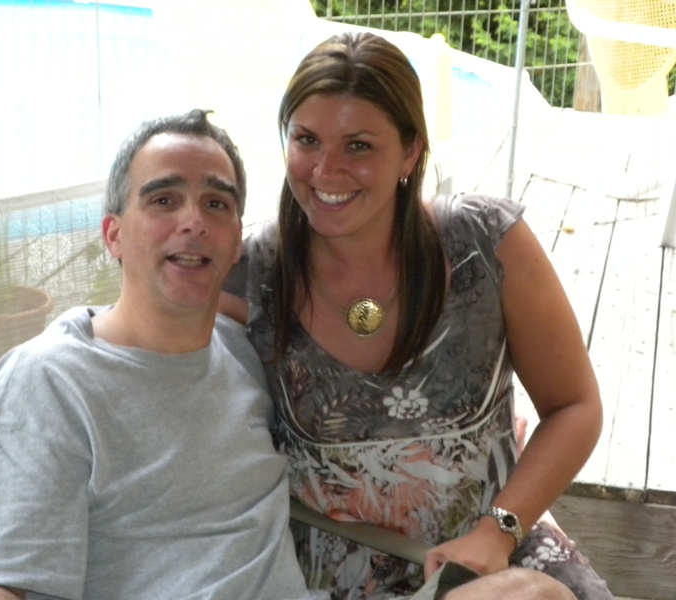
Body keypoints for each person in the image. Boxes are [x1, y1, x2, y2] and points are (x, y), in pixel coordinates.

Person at [221, 32, 613, 600]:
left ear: (410, 153)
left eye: (359, 146)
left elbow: (574, 405)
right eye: (307, 140)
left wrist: (497, 530)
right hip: (336, 578)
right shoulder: (251, 276)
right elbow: (141, 334)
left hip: (497, 551)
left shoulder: (484, 245)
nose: (326, 169)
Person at [0, 109, 328, 600]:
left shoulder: (242, 354)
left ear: (237, 243)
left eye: (216, 203)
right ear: (114, 235)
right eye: (164, 200)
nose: (194, 222)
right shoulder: (48, 383)